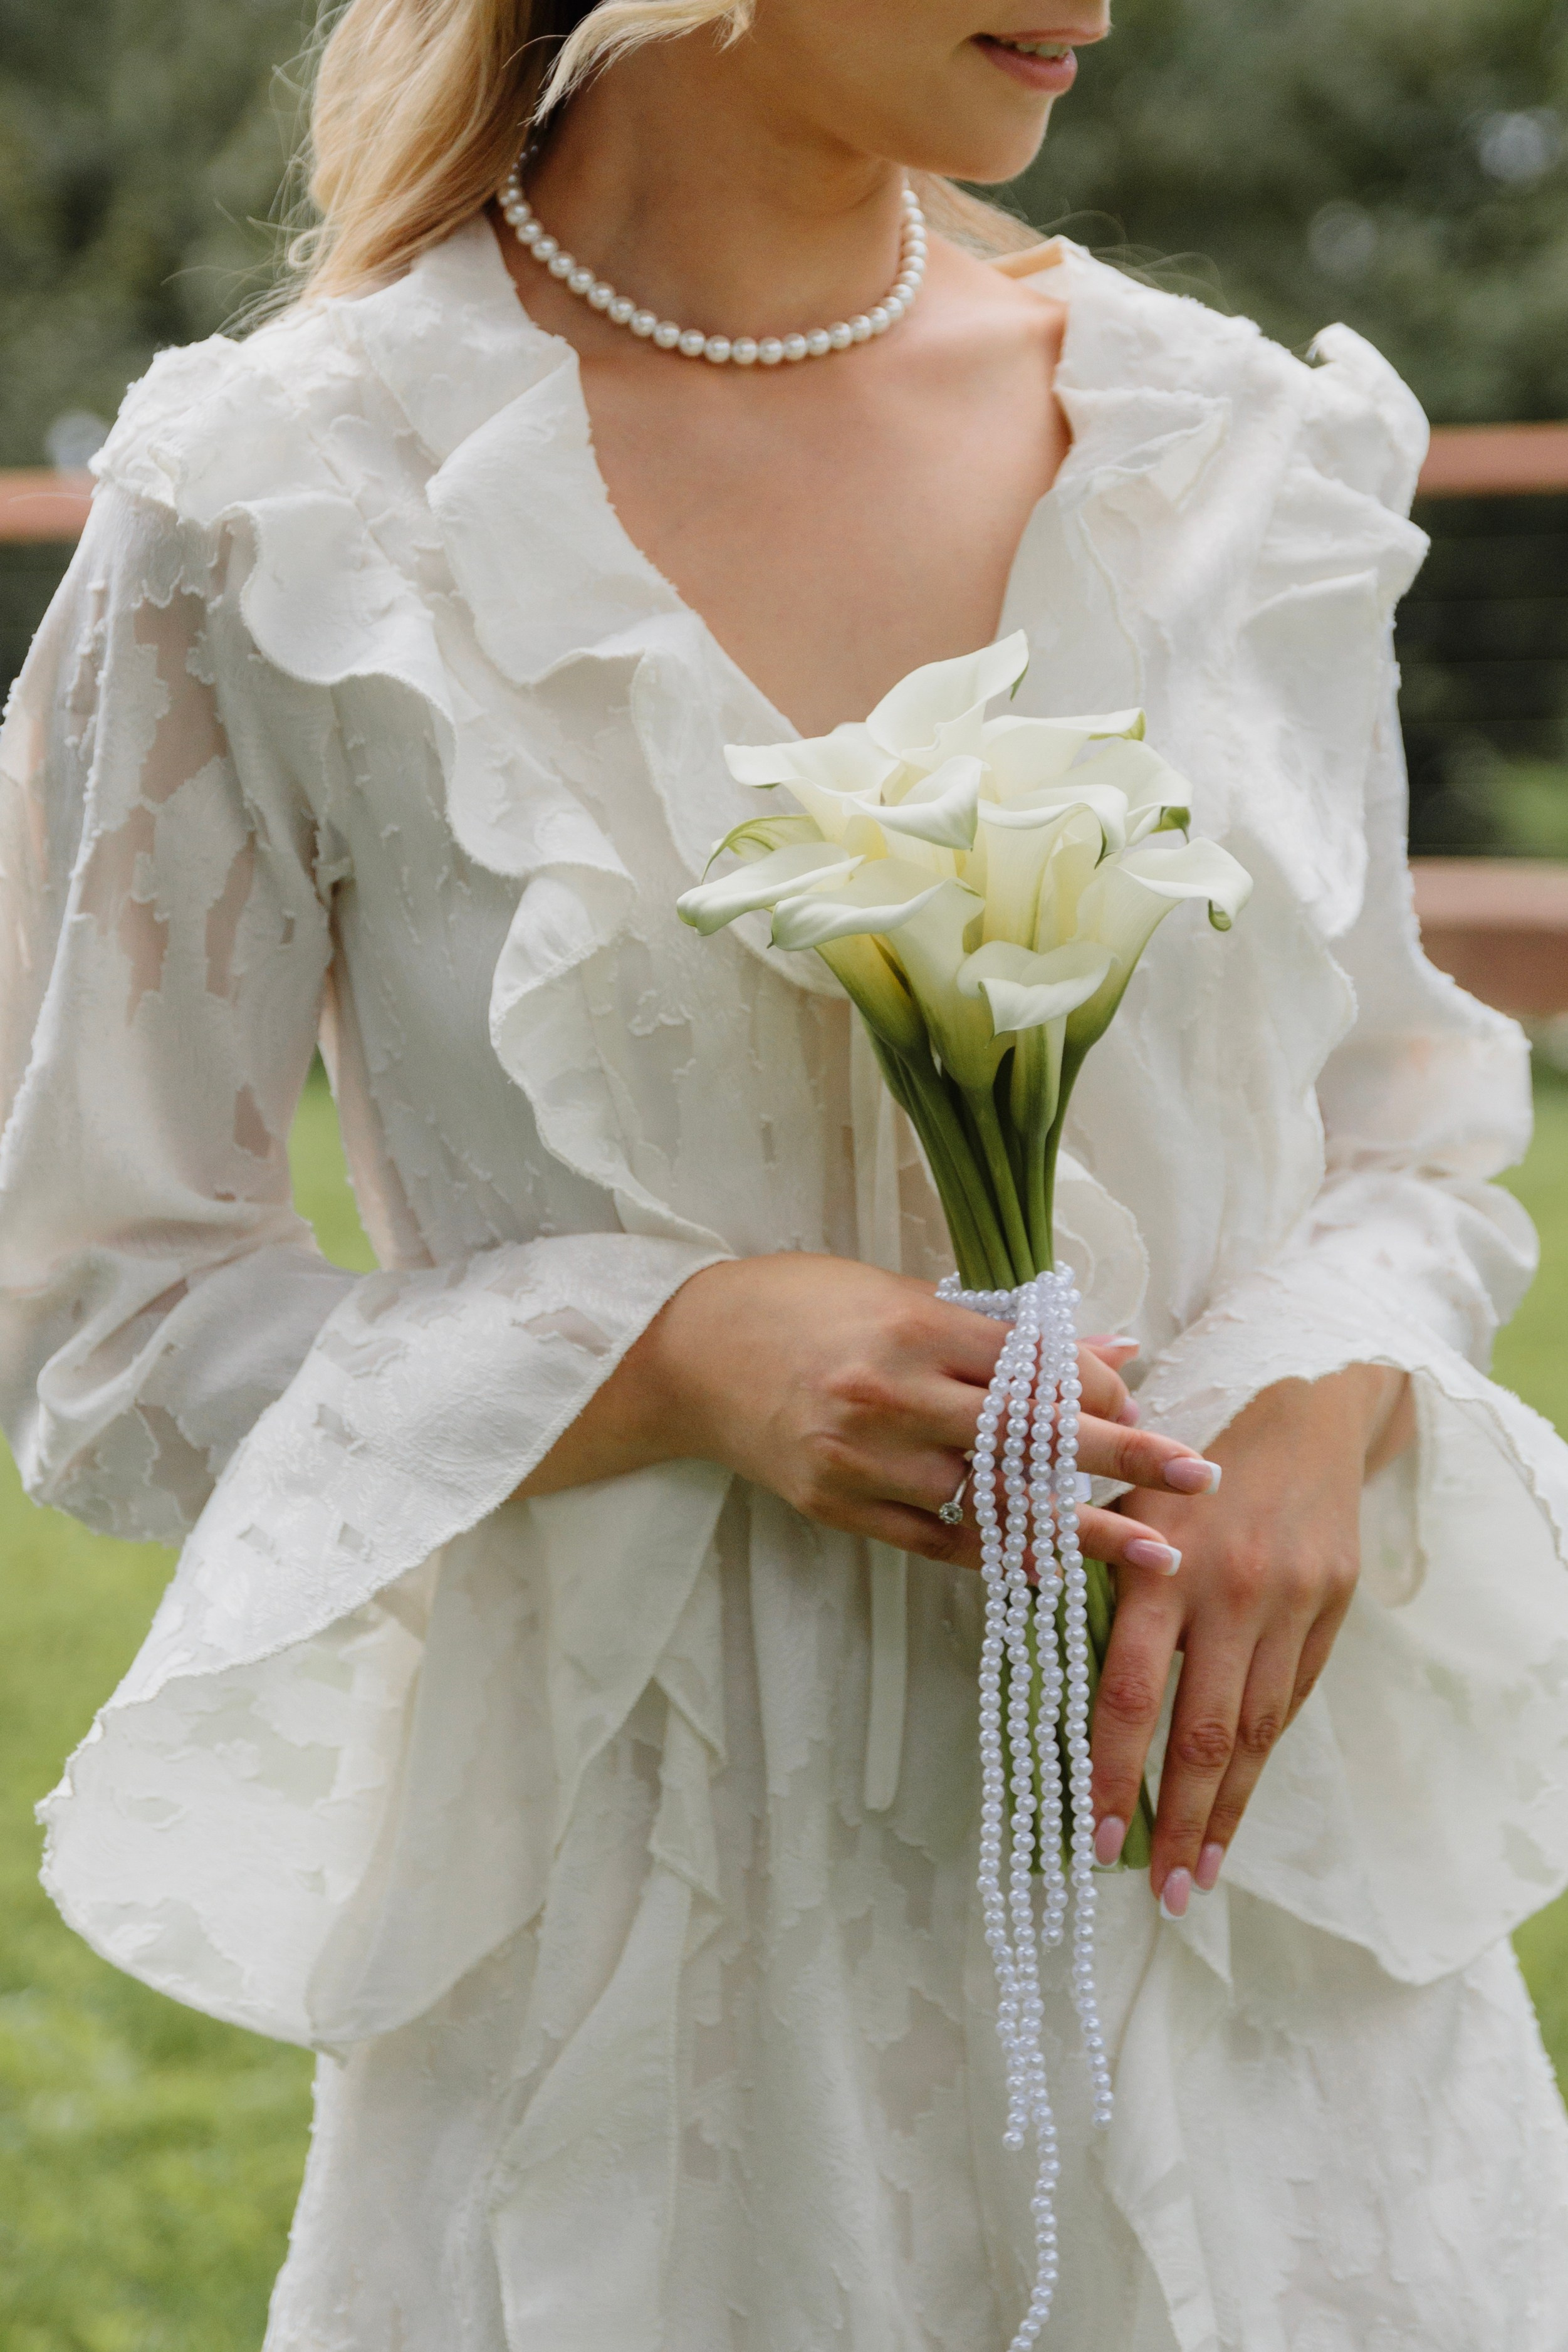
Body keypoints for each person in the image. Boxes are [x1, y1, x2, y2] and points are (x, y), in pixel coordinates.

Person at [2, 0, 1566, 2343]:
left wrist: (1321, 1400)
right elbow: (101, 1319)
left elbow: (1410, 1129)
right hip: (653, 1997)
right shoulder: (279, 507)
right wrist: (653, 1352)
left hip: (1244, 1956)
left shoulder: (1234, 443)